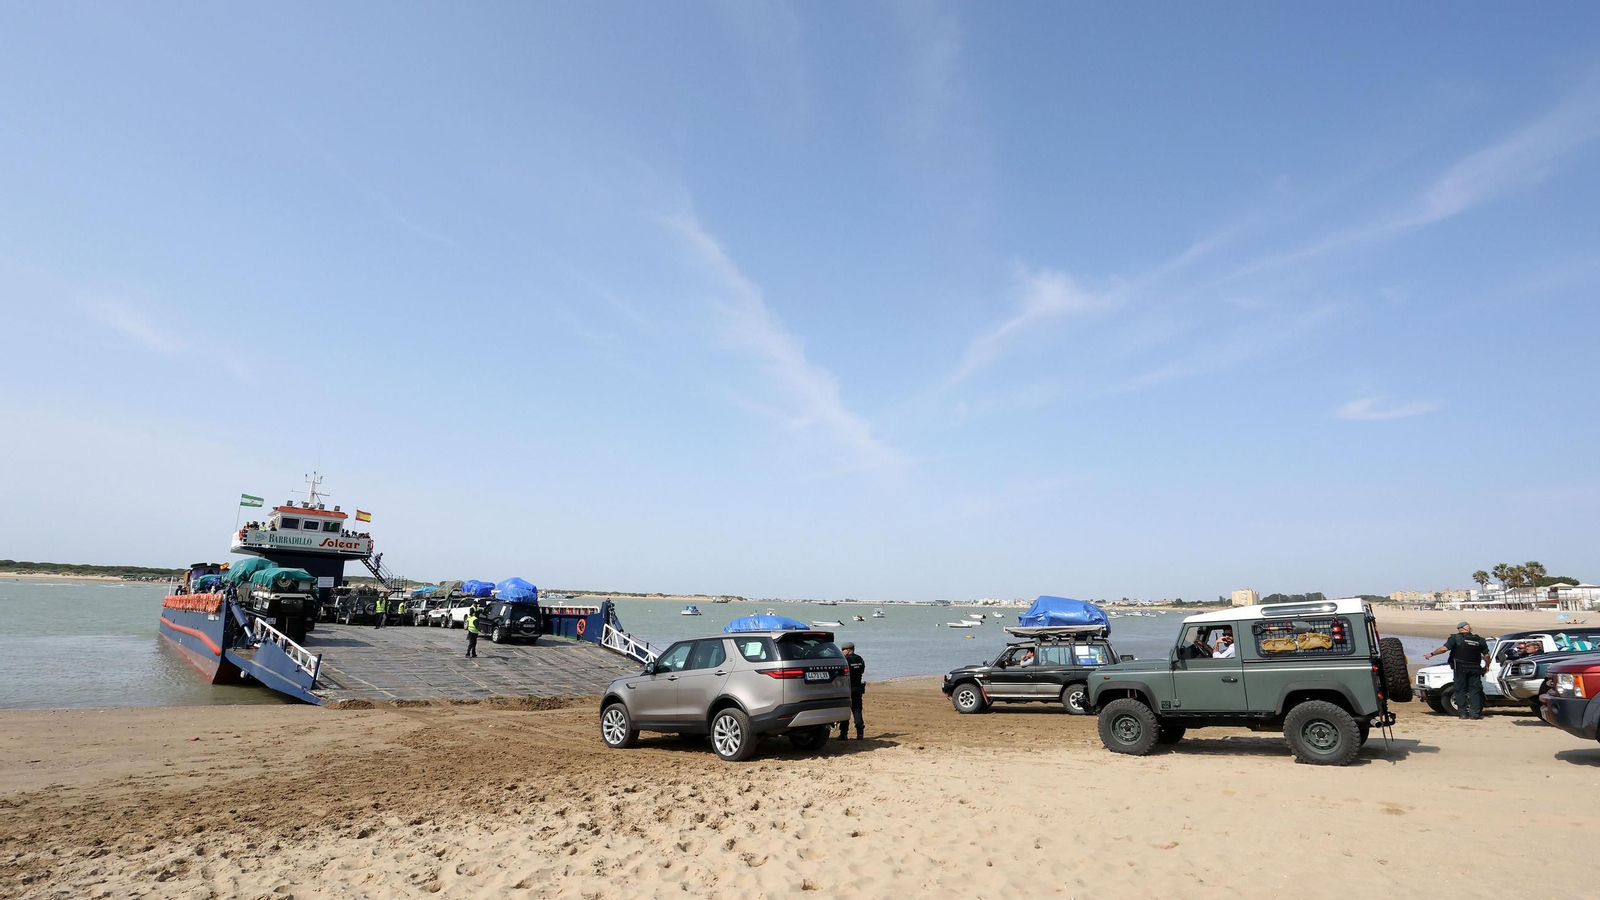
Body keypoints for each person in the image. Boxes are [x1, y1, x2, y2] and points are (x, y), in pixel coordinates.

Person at [1425, 621, 1490, 719]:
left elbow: (1444, 649)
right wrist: (1487, 666)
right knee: (1474, 690)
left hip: (1461, 668)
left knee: (1460, 690)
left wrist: (1432, 654)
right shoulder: (1479, 640)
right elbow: (1487, 655)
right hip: (1475, 668)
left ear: (1460, 629)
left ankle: (1463, 713)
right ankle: (1474, 714)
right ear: (1469, 629)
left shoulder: (1456, 638)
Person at [838, 641, 865, 740]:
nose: (842, 652)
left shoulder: (845, 661)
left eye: (843, 650)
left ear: (849, 650)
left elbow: (841, 675)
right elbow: (862, 671)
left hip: (847, 689)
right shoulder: (860, 659)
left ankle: (844, 734)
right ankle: (860, 733)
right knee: (857, 710)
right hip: (858, 688)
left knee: (845, 711)